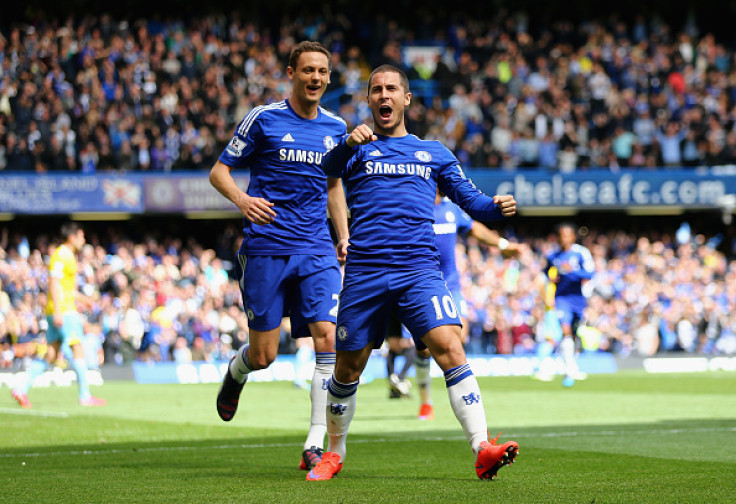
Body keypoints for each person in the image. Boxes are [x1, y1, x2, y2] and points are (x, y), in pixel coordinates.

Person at [306, 64, 519, 481]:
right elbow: (324, 172)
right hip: (365, 272)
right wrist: (348, 144)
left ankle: (482, 447)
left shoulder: (434, 152)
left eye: (391, 89)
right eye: (375, 90)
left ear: (406, 99)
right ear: (369, 100)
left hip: (418, 270)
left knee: (450, 348)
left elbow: (471, 201)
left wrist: (496, 208)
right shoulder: (356, 147)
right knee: (347, 368)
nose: (383, 96)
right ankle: (334, 452)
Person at [209, 41, 350, 472]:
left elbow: (333, 186)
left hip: (316, 248)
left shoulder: (336, 127)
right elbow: (219, 172)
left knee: (328, 339)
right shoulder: (264, 119)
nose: (316, 78)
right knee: (265, 354)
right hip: (266, 247)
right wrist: (241, 200)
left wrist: (343, 235)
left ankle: (314, 441)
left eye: (322, 72)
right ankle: (237, 372)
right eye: (308, 70)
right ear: (291, 72)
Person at [388, 189, 526, 419]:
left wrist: (502, 245)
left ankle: (465, 400)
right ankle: (426, 402)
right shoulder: (413, 208)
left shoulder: (452, 210)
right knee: (423, 348)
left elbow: (476, 230)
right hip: (421, 284)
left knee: (459, 334)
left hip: (450, 286)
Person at [11, 222, 106, 408]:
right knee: (77, 348)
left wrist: (86, 301)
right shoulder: (62, 255)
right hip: (64, 311)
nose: (83, 240)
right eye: (81, 236)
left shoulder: (67, 255)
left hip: (62, 309)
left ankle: (21, 388)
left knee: (51, 355)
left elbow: (66, 289)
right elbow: (53, 283)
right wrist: (58, 311)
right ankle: (85, 395)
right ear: (72, 237)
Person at [541, 222, 595, 387]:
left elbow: (589, 273)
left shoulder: (581, 253)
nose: (564, 238)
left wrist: (571, 271)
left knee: (573, 333)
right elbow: (546, 271)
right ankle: (569, 370)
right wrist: (551, 277)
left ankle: (572, 365)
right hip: (562, 298)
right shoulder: (553, 256)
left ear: (573, 236)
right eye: (561, 235)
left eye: (567, 235)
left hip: (578, 299)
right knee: (564, 330)